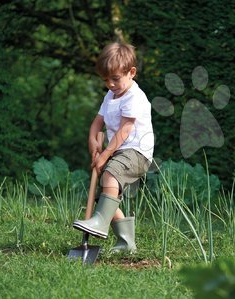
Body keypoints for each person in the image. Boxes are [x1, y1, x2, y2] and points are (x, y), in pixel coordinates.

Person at [73, 42, 154, 253]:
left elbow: (125, 130)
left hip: (137, 152)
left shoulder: (134, 96)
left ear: (131, 73)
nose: (110, 84)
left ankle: (99, 223)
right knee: (105, 199)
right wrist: (93, 142)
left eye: (115, 78)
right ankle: (127, 243)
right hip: (120, 151)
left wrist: (106, 154)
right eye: (105, 80)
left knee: (109, 175)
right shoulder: (110, 96)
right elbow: (97, 122)